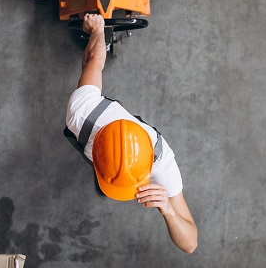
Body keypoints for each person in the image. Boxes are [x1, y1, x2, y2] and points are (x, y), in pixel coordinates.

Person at [64, 13, 198, 254]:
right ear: (94, 152)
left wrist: (168, 209)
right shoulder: (81, 113)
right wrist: (98, 31)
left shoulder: (162, 164)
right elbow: (94, 57)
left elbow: (190, 243)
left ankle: (108, 176)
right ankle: (106, 175)